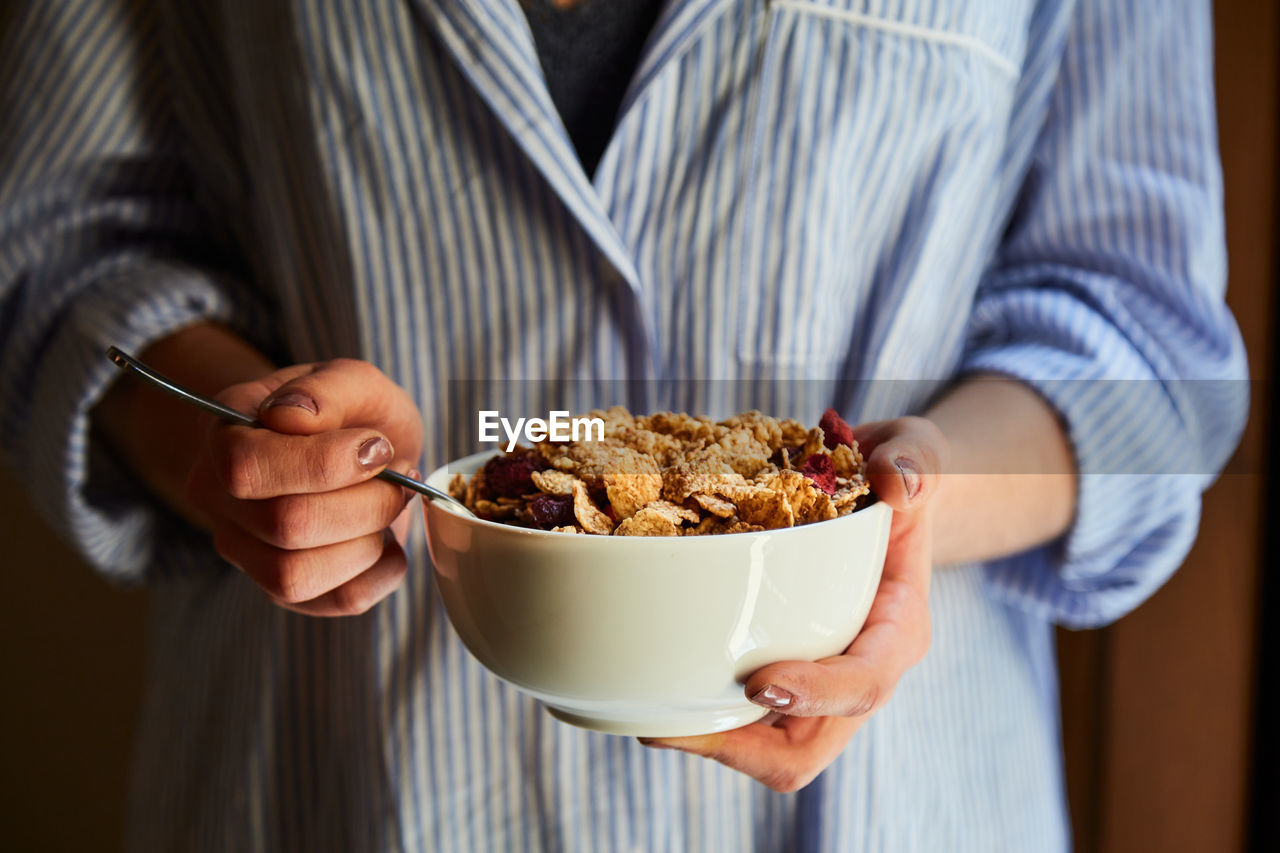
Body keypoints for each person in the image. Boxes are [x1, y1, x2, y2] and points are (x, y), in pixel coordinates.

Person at [0, 0, 1247, 850]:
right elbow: (55, 256)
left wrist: (891, 505)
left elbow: (1159, 377)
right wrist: (242, 439)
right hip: (338, 766)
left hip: (897, 791)